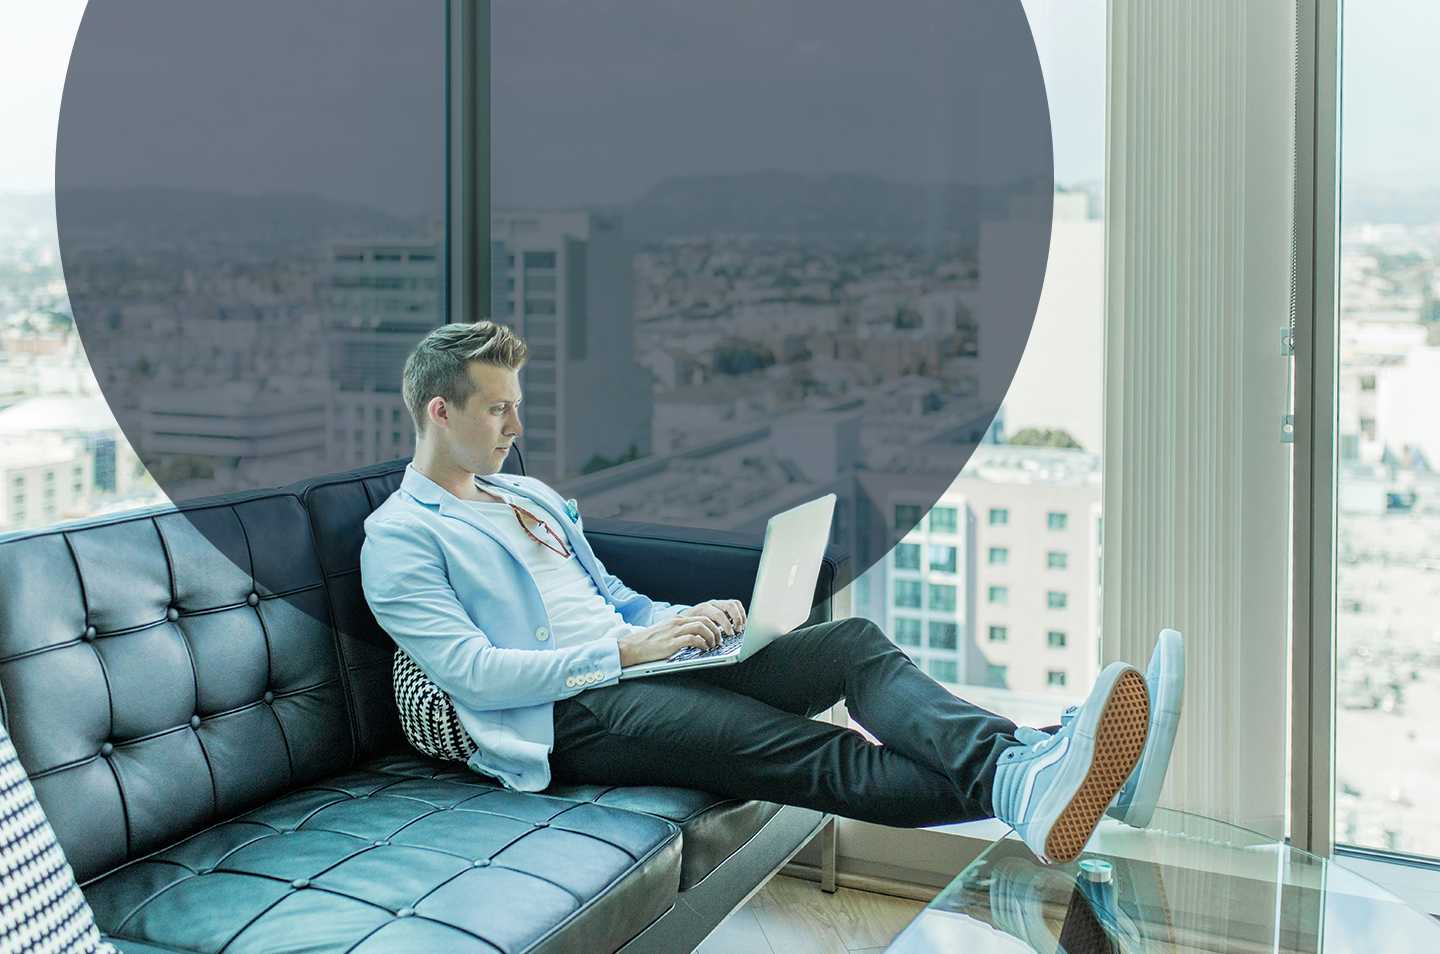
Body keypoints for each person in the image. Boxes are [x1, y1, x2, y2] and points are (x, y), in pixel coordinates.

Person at [360, 321, 1185, 865]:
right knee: (810, 751)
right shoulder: (400, 537)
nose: (514, 427)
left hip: (645, 665)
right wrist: (624, 649)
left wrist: (679, 622)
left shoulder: (526, 494)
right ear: (440, 411)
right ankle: (1051, 769)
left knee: (853, 646)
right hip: (569, 715)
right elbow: (473, 673)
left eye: (515, 407)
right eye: (497, 410)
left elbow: (607, 590)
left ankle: (1039, 772)